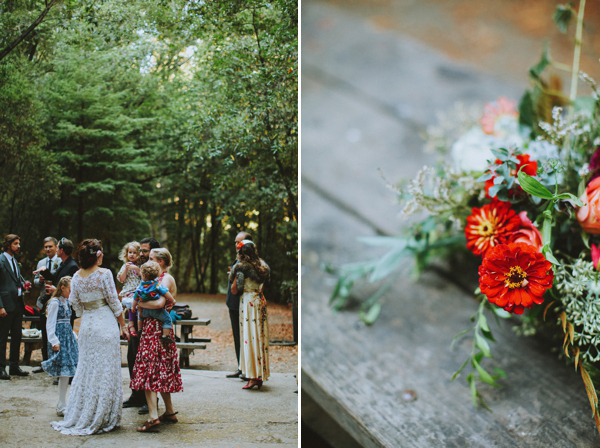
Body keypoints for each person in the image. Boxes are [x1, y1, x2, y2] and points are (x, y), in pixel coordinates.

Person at [51, 239, 129, 436]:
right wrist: (123, 324)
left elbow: (75, 306)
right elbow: (113, 301)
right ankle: (103, 415)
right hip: (105, 323)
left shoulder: (76, 277)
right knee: (106, 369)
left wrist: (87, 309)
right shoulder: (105, 274)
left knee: (87, 368)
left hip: (88, 326)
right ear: (98, 255)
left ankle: (84, 412)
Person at [131, 247, 182, 432]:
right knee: (160, 370)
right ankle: (169, 411)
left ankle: (153, 417)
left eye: (151, 259)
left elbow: (160, 303)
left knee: (149, 371)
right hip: (154, 330)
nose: (146, 261)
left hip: (158, 331)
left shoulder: (165, 279)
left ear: (160, 262)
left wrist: (137, 304)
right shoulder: (153, 279)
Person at [123, 237, 160, 413]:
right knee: (132, 356)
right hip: (135, 320)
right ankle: (136, 394)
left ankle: (150, 399)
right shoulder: (137, 269)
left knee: (147, 360)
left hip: (150, 321)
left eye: (145, 251)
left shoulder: (155, 271)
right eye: (141, 251)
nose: (141, 254)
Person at [230, 239, 270, 390]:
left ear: (241, 253)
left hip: (248, 303)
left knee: (249, 337)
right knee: (259, 337)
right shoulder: (262, 267)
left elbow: (235, 290)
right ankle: (259, 374)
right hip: (260, 301)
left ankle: (253, 377)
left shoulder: (240, 268)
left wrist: (233, 275)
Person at [41, 276, 78, 416]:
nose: (72, 292)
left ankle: (64, 403)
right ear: (62, 288)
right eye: (70, 289)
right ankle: (61, 404)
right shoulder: (55, 303)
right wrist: (54, 341)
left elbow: (67, 323)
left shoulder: (67, 302)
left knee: (68, 372)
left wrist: (74, 336)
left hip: (68, 339)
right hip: (60, 340)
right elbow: (50, 323)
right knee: (63, 372)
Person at [0, 234, 29, 379]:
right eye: (16, 244)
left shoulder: (15, 261)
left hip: (18, 304)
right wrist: (0, 306)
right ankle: (0, 368)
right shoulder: (1, 260)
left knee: (17, 335)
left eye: (19, 243)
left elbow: (14, 282)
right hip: (5, 305)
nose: (19, 246)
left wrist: (23, 286)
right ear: (8, 245)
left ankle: (14, 366)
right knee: (2, 337)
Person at [225, 231, 252, 379]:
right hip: (233, 304)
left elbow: (238, 287)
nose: (236, 245)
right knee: (237, 337)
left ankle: (246, 368)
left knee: (245, 337)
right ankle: (240, 367)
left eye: (239, 242)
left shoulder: (245, 263)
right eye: (235, 242)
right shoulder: (238, 260)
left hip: (240, 303)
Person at [36, 238, 79, 328]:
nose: (56, 250)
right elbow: (54, 277)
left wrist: (55, 290)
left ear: (61, 250)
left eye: (57, 247)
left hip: (64, 310)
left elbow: (70, 290)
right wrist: (44, 270)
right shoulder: (63, 264)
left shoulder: (72, 266)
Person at [132, 261, 175, 346]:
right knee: (167, 319)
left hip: (145, 312)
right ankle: (165, 335)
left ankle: (140, 329)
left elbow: (135, 298)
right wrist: (172, 300)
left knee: (139, 316)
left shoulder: (140, 286)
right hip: (156, 311)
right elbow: (165, 292)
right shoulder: (157, 285)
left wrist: (134, 306)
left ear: (143, 275)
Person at [33, 236, 61, 369]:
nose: (48, 249)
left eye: (50, 246)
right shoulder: (41, 263)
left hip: (56, 300)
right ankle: (45, 362)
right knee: (44, 331)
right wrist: (39, 281)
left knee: (56, 331)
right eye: (46, 247)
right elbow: (35, 281)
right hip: (44, 301)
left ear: (56, 247)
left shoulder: (61, 262)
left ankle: (56, 361)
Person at [117, 241, 142, 336]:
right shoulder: (125, 266)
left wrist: (135, 268)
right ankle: (130, 324)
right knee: (132, 302)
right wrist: (126, 270)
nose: (132, 255)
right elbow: (121, 280)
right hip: (129, 290)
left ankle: (139, 326)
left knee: (138, 303)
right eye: (130, 252)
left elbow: (143, 275)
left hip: (138, 290)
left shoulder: (140, 266)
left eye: (134, 252)